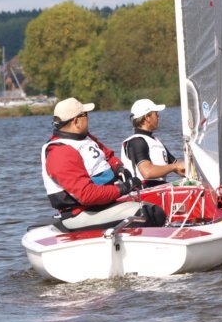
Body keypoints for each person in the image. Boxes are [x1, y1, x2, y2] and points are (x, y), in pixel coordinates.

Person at [41, 97, 165, 230]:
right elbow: (87, 195)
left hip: (101, 205)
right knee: (151, 213)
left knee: (156, 206)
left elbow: (107, 156)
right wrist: (124, 187)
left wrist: (119, 168)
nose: (88, 118)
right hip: (81, 213)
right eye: (85, 115)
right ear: (76, 121)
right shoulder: (60, 152)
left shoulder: (85, 138)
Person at [121, 98, 186, 188]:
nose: (158, 117)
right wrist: (174, 167)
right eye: (156, 113)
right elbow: (147, 172)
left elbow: (179, 168)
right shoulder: (136, 142)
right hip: (142, 191)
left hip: (160, 188)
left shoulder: (155, 142)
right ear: (147, 117)